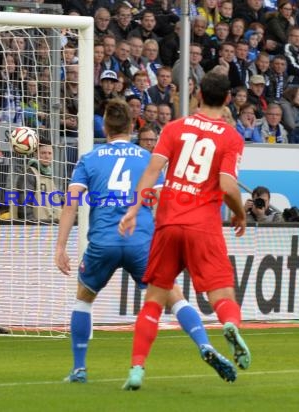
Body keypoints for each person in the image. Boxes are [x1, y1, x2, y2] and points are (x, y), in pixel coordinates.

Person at [55, 98, 237, 385]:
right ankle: (205, 345)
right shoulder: (146, 158)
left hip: (104, 241)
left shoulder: (89, 159)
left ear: (105, 125)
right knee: (174, 296)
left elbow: (71, 203)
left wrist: (60, 246)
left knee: (84, 298)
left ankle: (79, 369)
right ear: (132, 125)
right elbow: (166, 200)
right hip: (142, 241)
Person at [118, 71, 250, 391]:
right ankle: (230, 326)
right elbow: (228, 186)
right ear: (228, 99)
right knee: (221, 294)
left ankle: (137, 369)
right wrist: (240, 213)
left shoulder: (175, 128)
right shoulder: (231, 137)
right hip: (202, 225)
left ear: (198, 96)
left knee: (154, 299)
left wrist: (135, 209)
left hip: (168, 223)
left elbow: (152, 169)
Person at [13, 138, 62, 223]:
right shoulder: (29, 174)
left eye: (50, 153)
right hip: (36, 230)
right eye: (43, 153)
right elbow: (24, 207)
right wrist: (32, 226)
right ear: (35, 154)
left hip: (49, 226)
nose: (47, 156)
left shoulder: (47, 174)